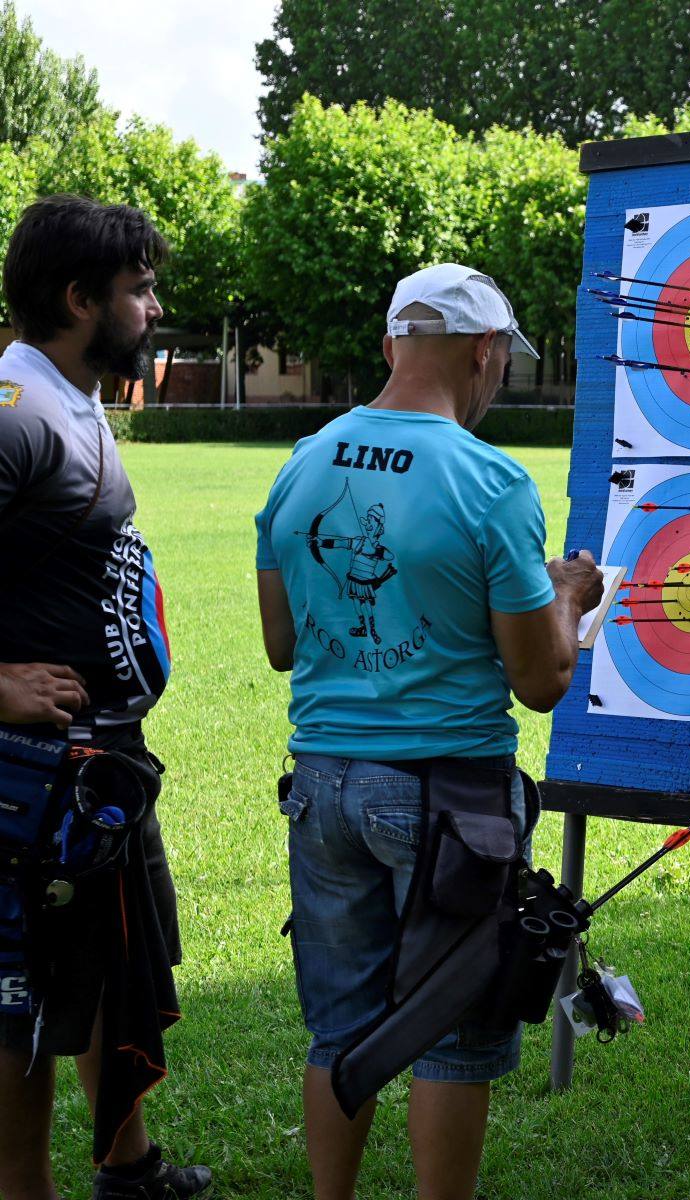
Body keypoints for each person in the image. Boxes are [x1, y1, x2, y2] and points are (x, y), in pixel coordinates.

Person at [255, 263, 603, 1200]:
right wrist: (567, 597)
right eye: (500, 362)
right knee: (458, 1034)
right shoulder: (489, 479)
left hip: (322, 784)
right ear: (485, 352)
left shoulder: (303, 461)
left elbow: (283, 643)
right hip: (449, 798)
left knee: (340, 1025)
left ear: (388, 346)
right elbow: (540, 681)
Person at [0, 197, 210, 1200]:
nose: (154, 309)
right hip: (27, 778)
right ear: (78, 298)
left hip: (95, 768)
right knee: (24, 1003)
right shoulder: (14, 407)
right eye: (137, 290)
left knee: (107, 969)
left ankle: (127, 1168)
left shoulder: (70, 397)